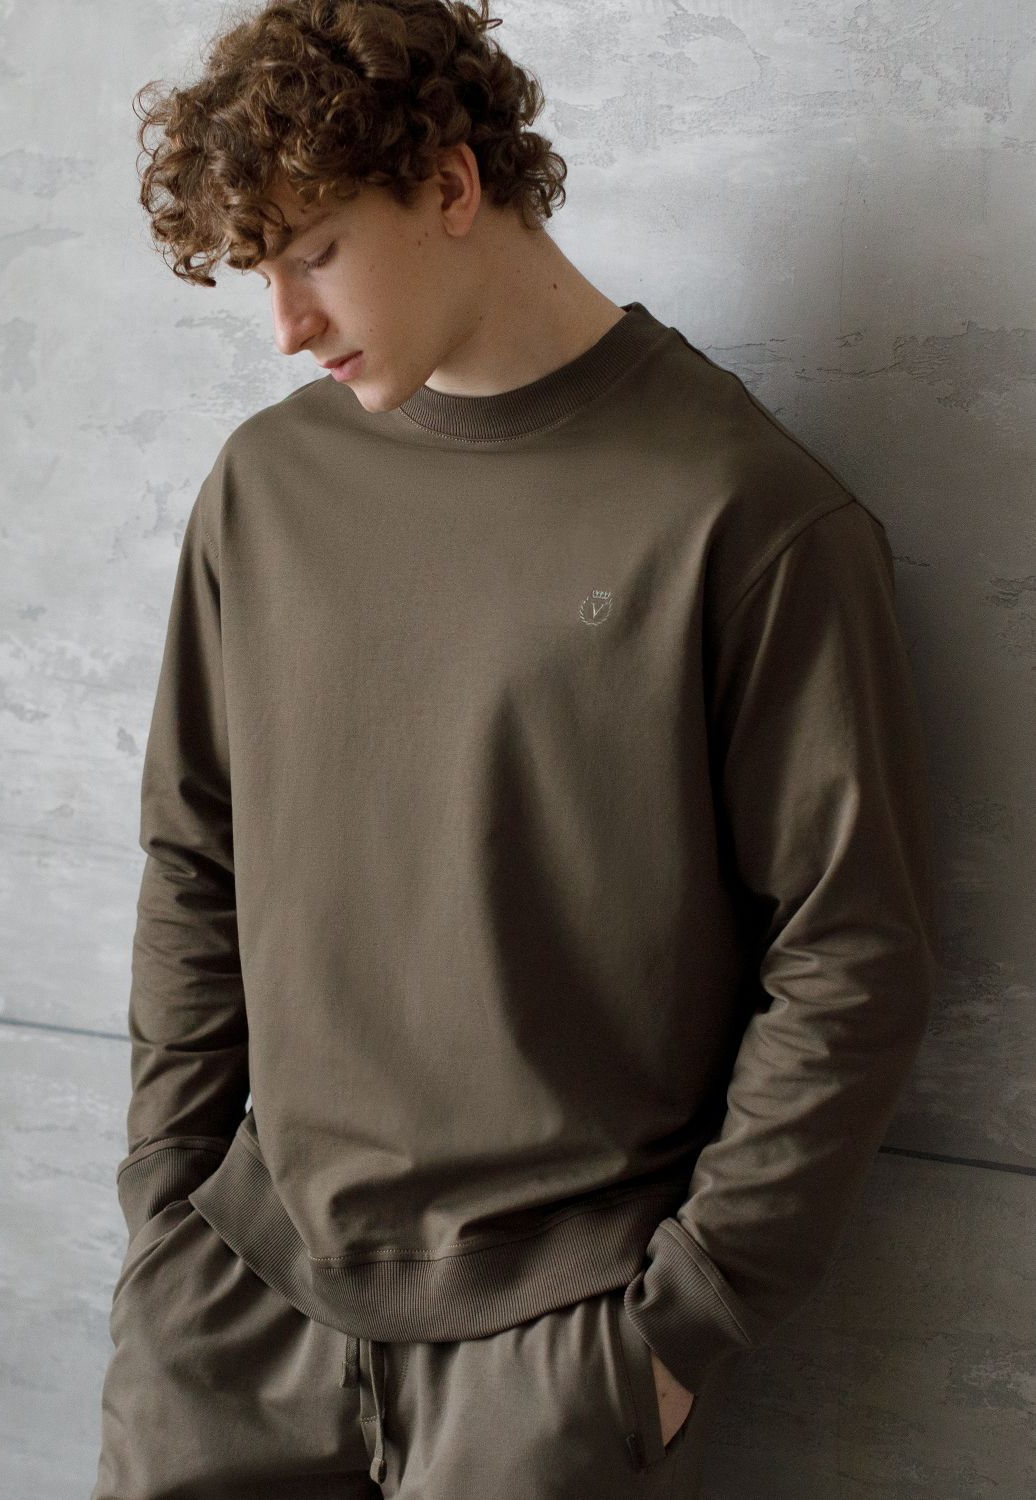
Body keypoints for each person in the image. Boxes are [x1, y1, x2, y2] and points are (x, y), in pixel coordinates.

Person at [90, 1, 942, 1496]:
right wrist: (166, 1209)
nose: (285, 326)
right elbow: (194, 859)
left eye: (315, 254)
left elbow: (851, 953)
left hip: (553, 1360)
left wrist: (676, 1331)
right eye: (261, 272)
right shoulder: (268, 486)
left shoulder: (748, 518)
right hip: (237, 1308)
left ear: (451, 184)